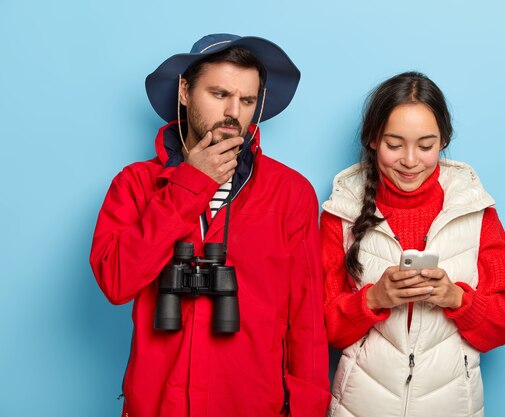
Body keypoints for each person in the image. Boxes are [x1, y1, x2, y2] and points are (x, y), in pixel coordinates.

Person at [90, 34, 330, 417]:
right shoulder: (134, 184)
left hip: (252, 404)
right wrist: (188, 186)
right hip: (157, 404)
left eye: (247, 100)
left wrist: (307, 410)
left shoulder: (290, 193)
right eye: (219, 94)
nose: (234, 112)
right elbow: (116, 281)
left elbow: (307, 324)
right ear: (185, 90)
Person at [321, 72, 505, 417]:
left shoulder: (474, 210)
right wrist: (373, 299)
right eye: (394, 144)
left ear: (443, 141)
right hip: (359, 407)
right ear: (372, 139)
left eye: (426, 146)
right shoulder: (340, 212)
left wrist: (456, 298)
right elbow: (319, 326)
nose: (411, 160)